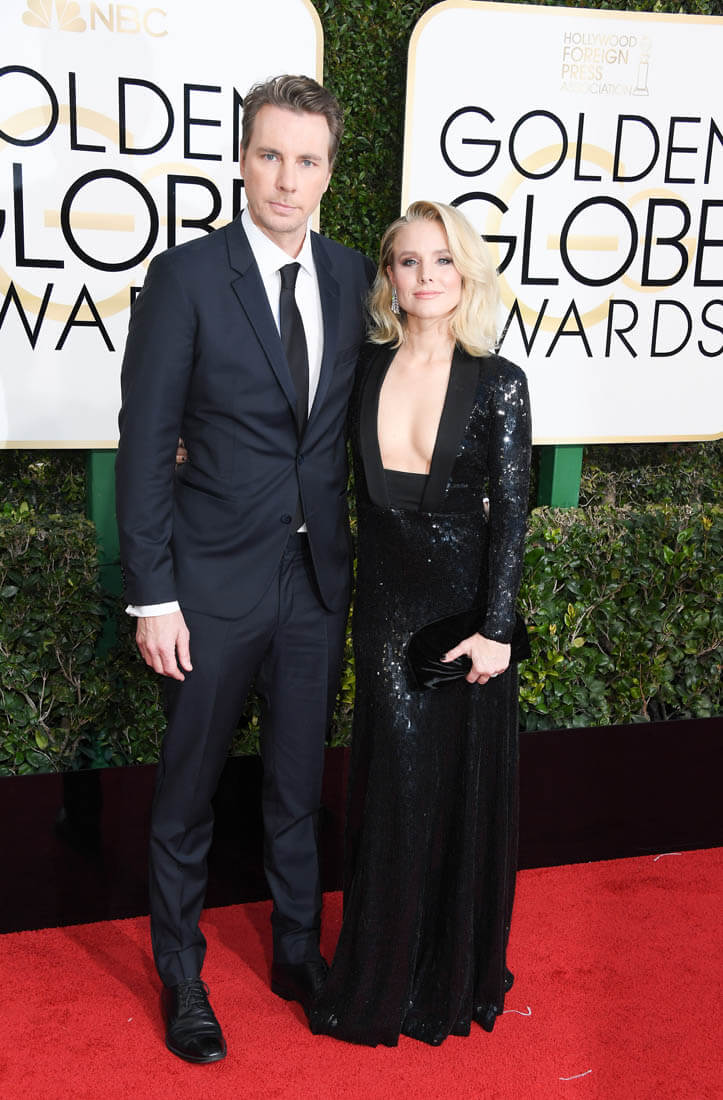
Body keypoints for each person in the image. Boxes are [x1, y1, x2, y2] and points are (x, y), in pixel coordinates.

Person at [115, 74, 374, 1064]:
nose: (286, 179)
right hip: (208, 587)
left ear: (329, 172)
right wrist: (154, 593)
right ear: (241, 159)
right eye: (270, 155)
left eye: (306, 160)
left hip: (314, 583)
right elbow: (147, 444)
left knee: (297, 785)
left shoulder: (352, 277)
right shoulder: (186, 277)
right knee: (188, 793)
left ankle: (298, 952)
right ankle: (182, 974)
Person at [309, 200, 532, 1047]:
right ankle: (381, 975)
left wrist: (497, 630)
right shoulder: (360, 369)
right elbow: (300, 452)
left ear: (465, 273)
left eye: (442, 260)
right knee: (394, 788)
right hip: (382, 611)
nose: (426, 276)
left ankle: (444, 975)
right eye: (408, 261)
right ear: (388, 277)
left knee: (455, 792)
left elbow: (511, 513)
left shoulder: (498, 381)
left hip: (462, 620)